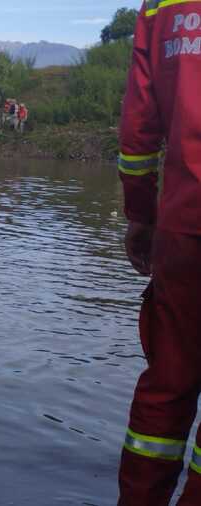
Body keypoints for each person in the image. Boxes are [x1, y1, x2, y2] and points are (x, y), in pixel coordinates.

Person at [116, 1, 201, 505]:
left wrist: (142, 215)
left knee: (167, 386)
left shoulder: (161, 7)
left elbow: (138, 130)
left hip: (181, 229)